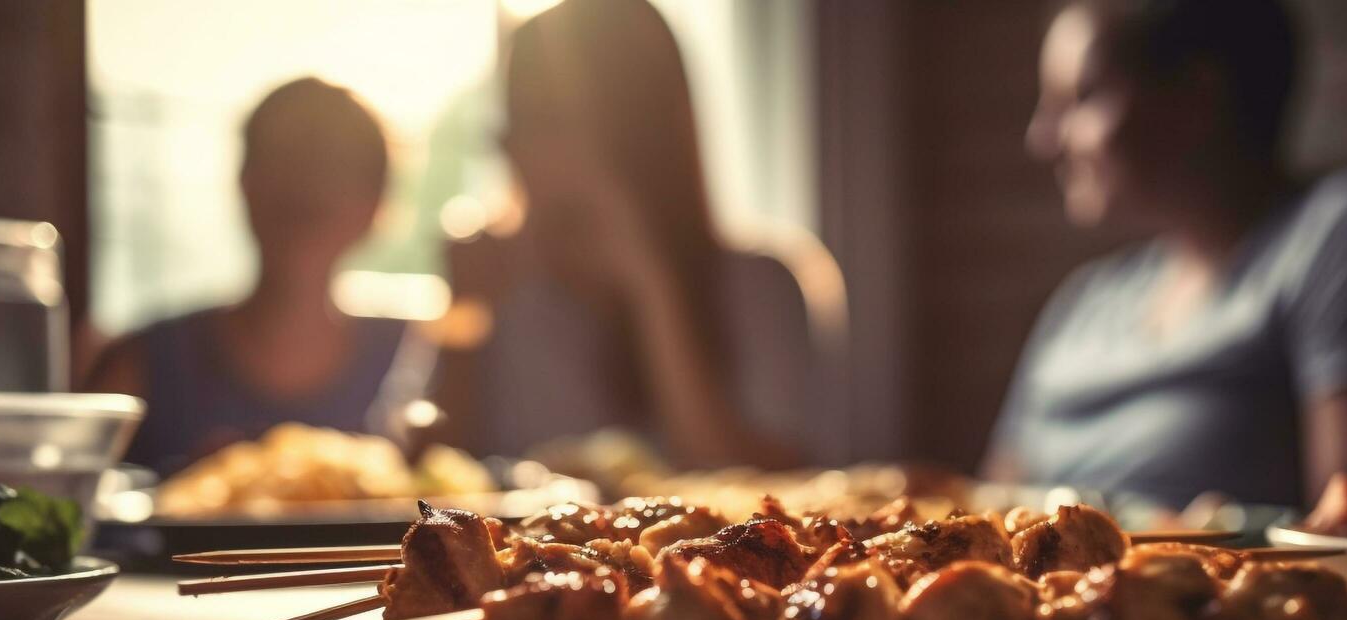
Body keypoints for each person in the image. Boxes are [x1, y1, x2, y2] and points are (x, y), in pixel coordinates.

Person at [983, 0, 1347, 509]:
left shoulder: (1346, 235)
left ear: (1197, 94)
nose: (1043, 139)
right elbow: (986, 510)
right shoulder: (1085, 302)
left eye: (1080, 98)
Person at [427, 0, 820, 470]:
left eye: (545, 120)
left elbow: (764, 493)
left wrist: (652, 287)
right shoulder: (495, 286)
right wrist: (463, 319)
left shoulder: (760, 285)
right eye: (512, 124)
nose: (517, 151)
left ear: (636, 132)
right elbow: (426, 477)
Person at [87, 77, 403, 477]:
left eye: (337, 163)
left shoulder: (410, 369)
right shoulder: (138, 368)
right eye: (286, 157)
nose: (308, 185)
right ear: (246, 180)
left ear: (376, 202)